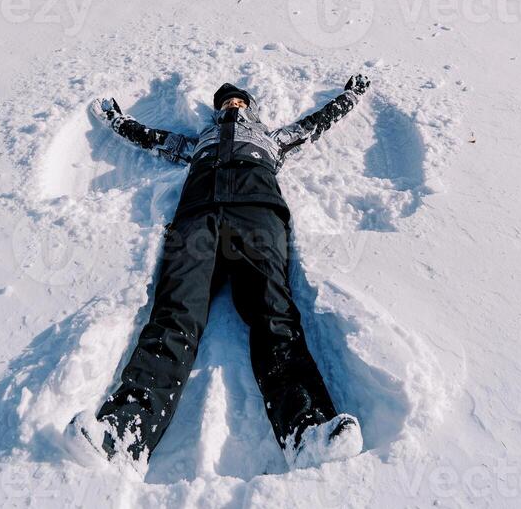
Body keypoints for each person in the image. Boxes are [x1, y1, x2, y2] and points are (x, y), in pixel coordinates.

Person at [70, 74, 370, 473]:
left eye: (238, 101)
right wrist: (115, 119)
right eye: (226, 101)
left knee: (273, 312)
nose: (232, 105)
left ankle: (306, 427)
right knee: (175, 312)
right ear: (216, 111)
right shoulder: (195, 144)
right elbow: (149, 137)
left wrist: (350, 96)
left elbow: (316, 122)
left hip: (257, 212)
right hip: (198, 217)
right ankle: (126, 431)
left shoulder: (273, 140)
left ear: (249, 107)